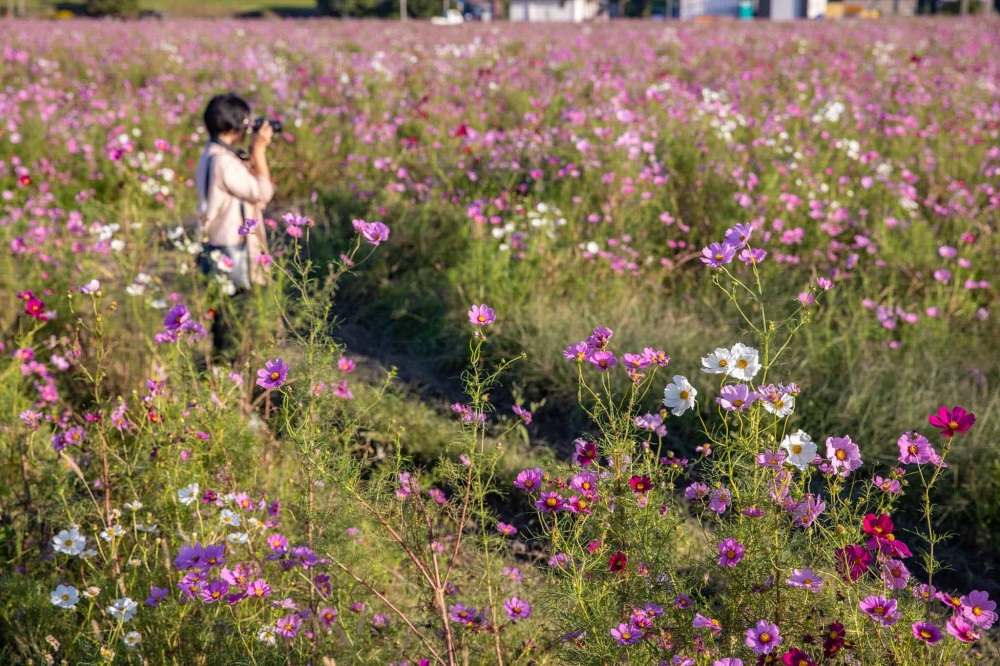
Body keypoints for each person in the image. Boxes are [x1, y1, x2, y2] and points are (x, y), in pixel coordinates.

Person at [195, 93, 275, 364]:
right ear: (235, 126)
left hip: (217, 247)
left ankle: (221, 370)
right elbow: (262, 192)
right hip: (233, 251)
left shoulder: (210, 155)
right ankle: (227, 374)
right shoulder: (225, 162)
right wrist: (260, 151)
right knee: (234, 319)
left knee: (222, 319)